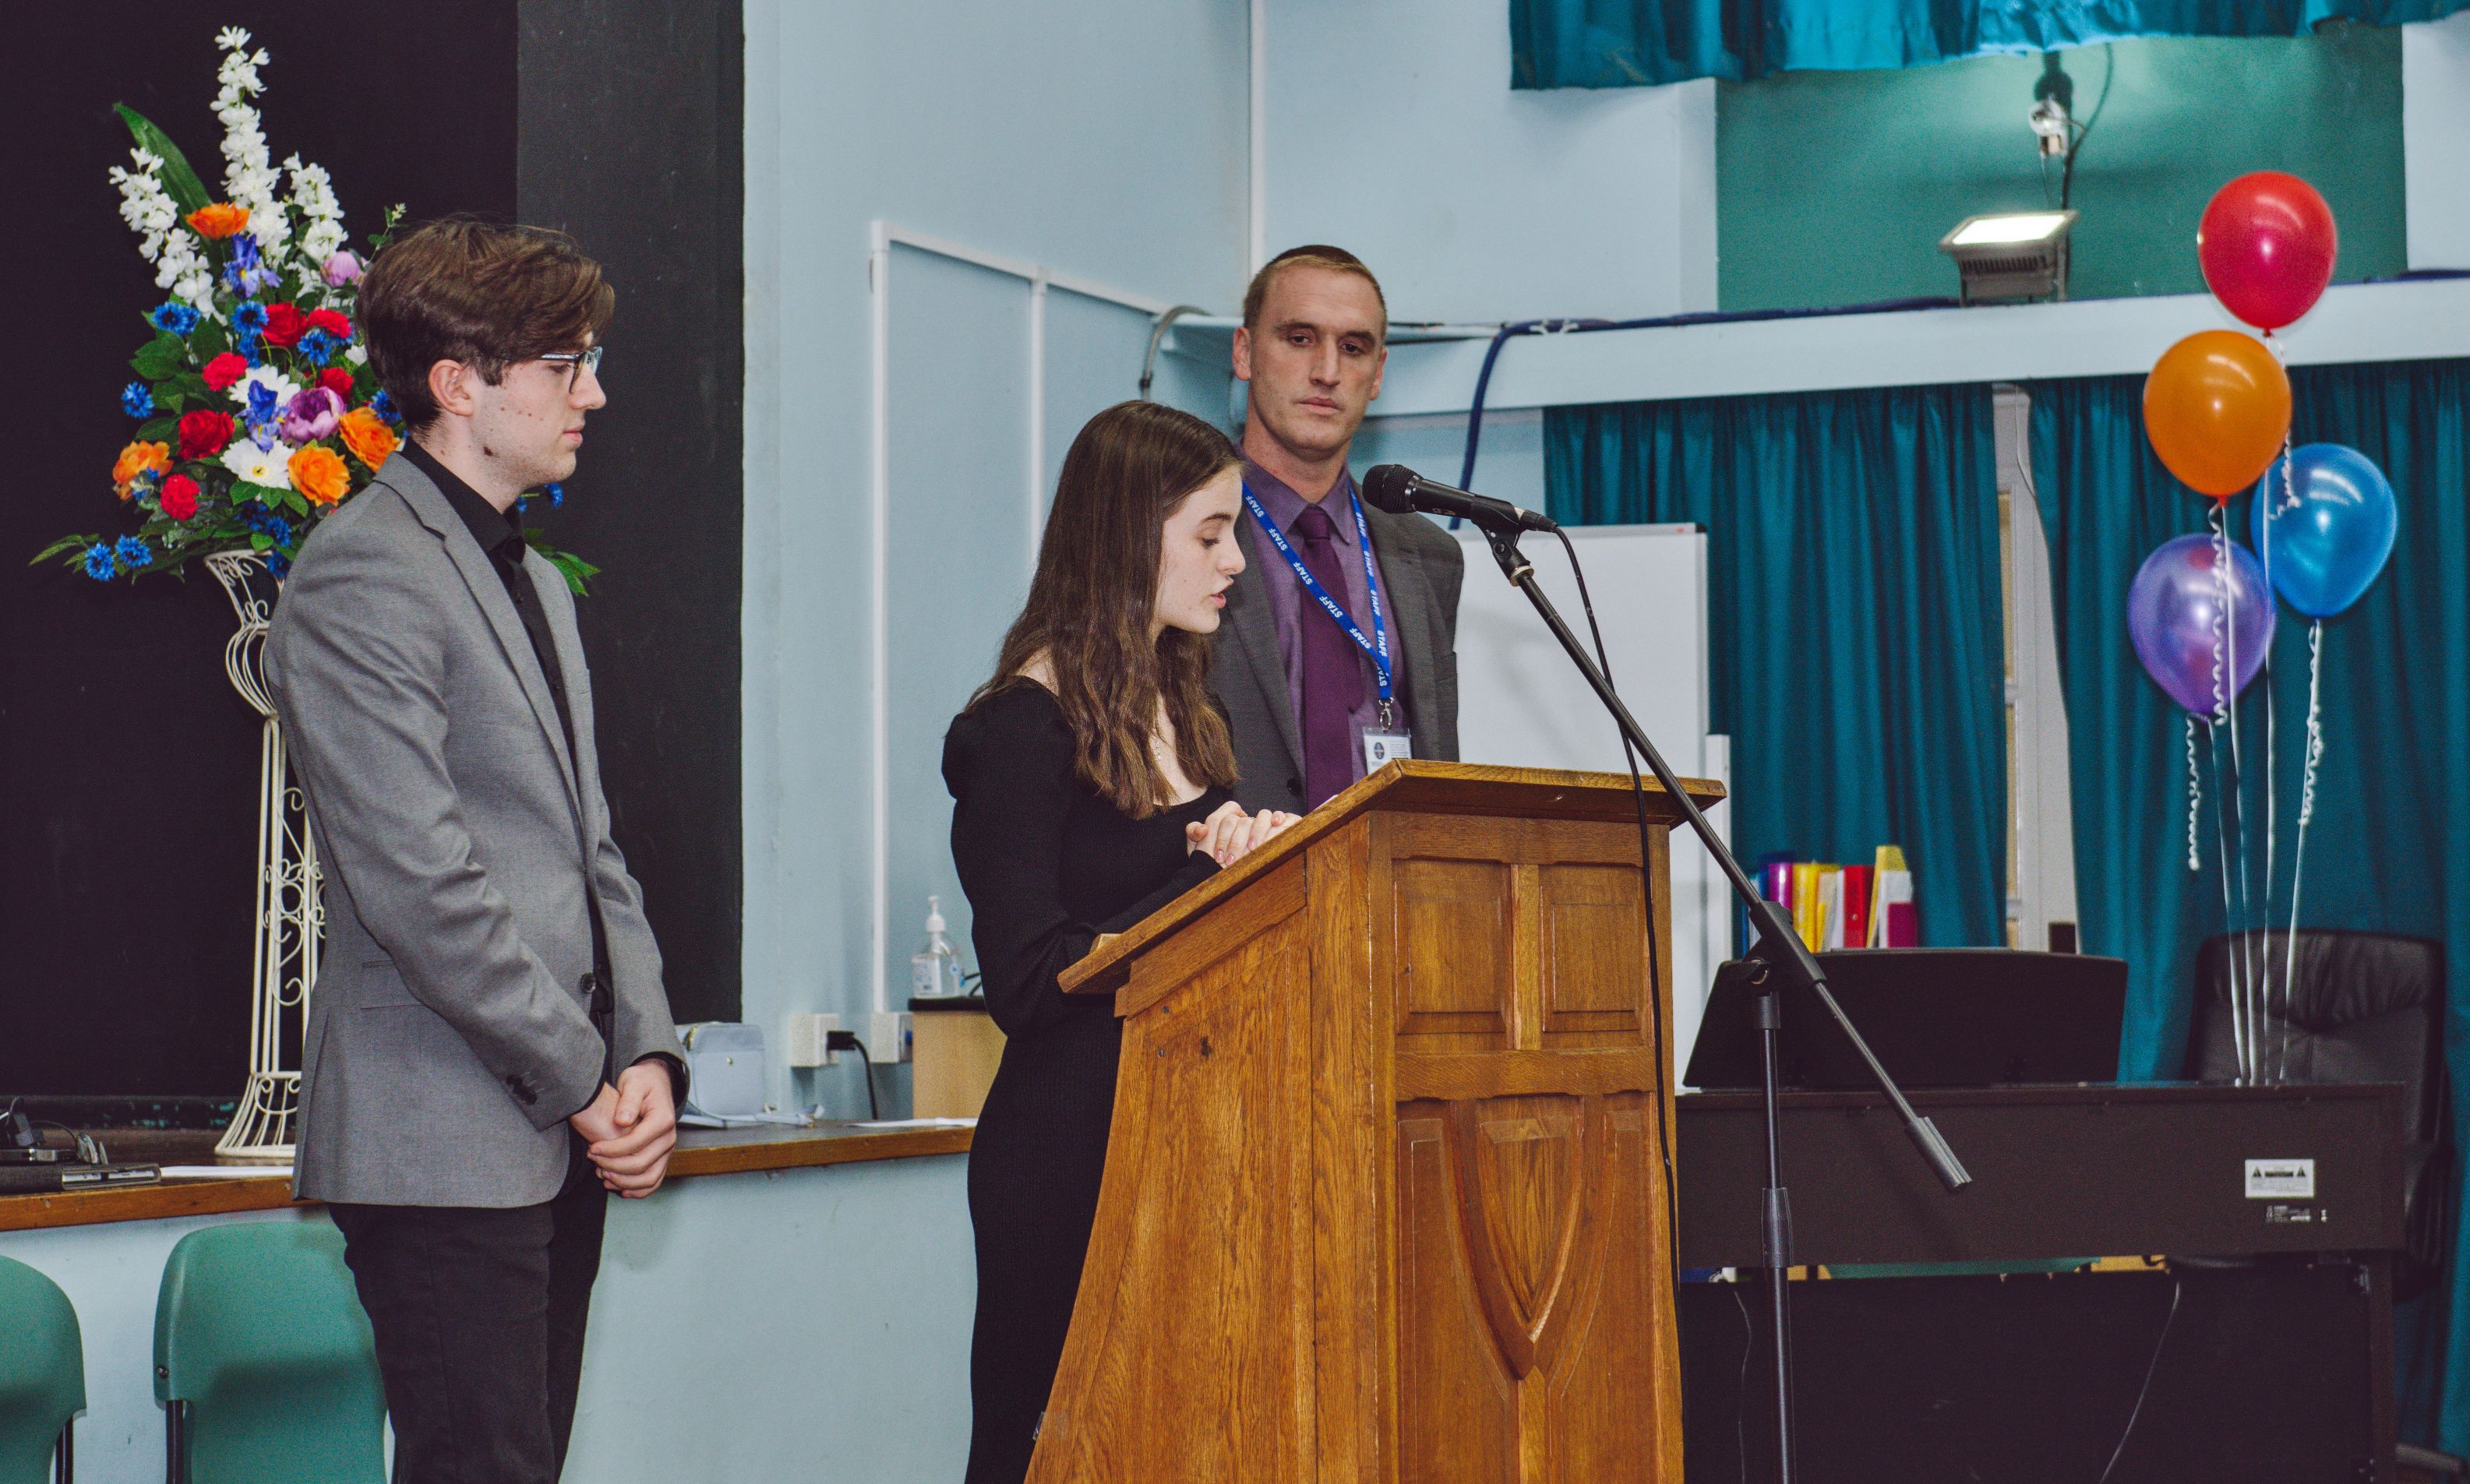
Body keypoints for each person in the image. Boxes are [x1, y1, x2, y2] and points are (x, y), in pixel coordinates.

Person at [265, 218, 686, 1484]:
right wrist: (582, 1077)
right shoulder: (363, 569)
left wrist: (646, 1053)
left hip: (558, 1127)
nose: (592, 394)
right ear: (459, 384)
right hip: (440, 1138)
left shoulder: (534, 579)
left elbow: (591, 849)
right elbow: (423, 887)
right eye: (565, 365)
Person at [944, 400, 1301, 1482]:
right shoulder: (1016, 729)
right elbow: (1029, 981)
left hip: (1201, 1133)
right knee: (1044, 1450)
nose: (1233, 561)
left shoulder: (1190, 709)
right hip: (1071, 1153)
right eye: (1209, 534)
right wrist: (1206, 877)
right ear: (1124, 536)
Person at [1213, 244, 1466, 814]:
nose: (1327, 372)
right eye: (1300, 339)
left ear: (1377, 374)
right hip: (1227, 867)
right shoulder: (1172, 532)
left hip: (1390, 866)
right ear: (1245, 352)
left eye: (1353, 348)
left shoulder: (1430, 556)